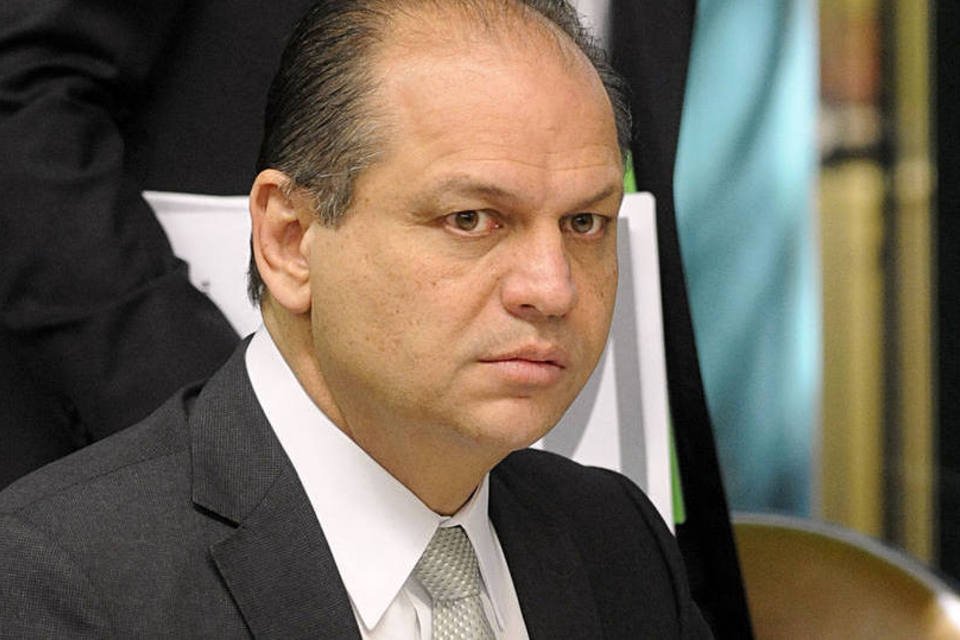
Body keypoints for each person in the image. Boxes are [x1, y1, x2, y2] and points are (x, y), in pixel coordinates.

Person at [0, 1, 713, 638]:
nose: (551, 289)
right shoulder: (58, 583)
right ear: (289, 241)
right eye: (470, 219)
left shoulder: (617, 540)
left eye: (585, 222)